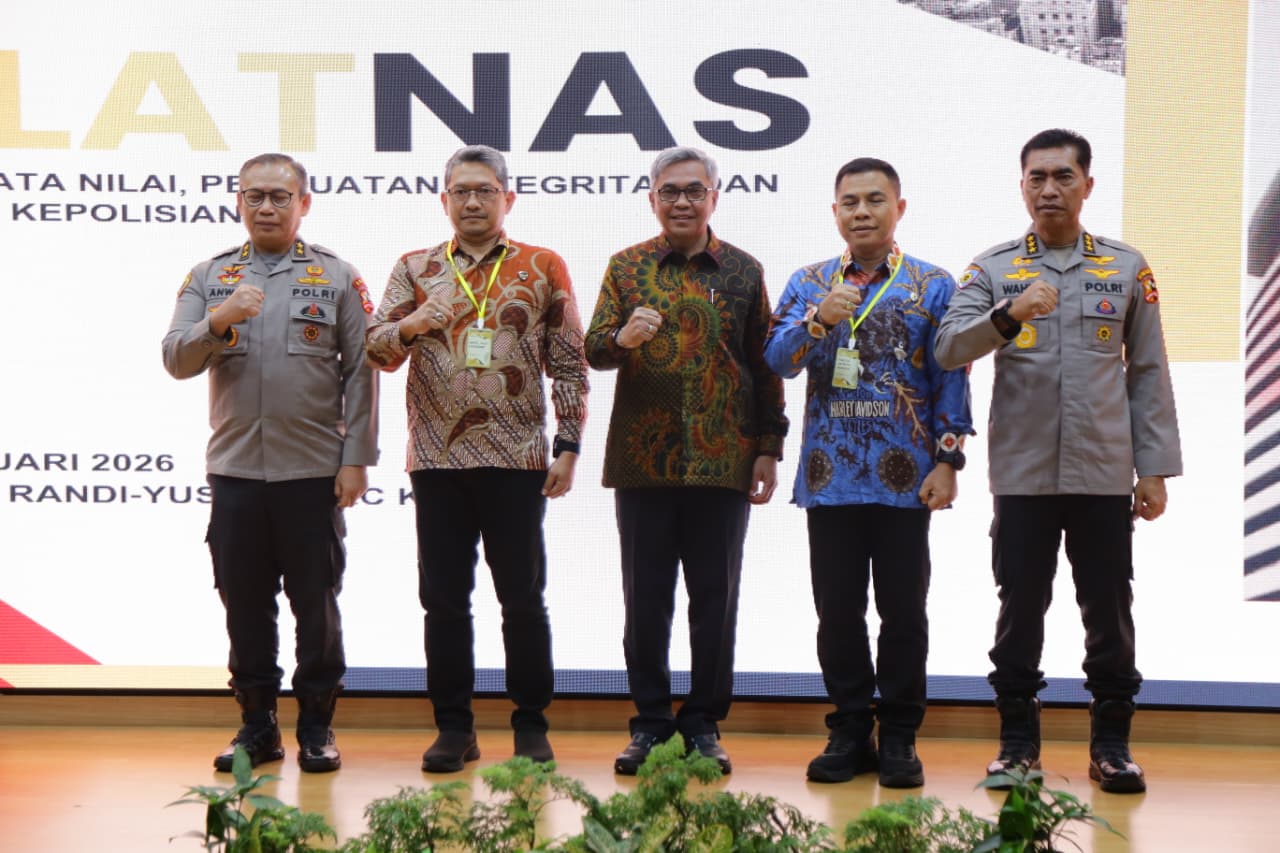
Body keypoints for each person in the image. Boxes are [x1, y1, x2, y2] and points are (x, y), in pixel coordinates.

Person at [935, 128, 1182, 794]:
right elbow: (948, 348)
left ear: (1087, 185)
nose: (1049, 189)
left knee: (1110, 611)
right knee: (1020, 610)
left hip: (1103, 473)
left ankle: (1112, 746)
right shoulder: (993, 269)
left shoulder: (1127, 268)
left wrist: (1154, 469)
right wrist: (1008, 314)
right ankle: (1018, 746)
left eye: (1062, 176)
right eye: (1036, 177)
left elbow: (1148, 372)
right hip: (1023, 475)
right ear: (1021, 186)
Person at [365, 144, 588, 772]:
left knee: (523, 600)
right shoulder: (415, 267)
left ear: (507, 198)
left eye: (484, 190)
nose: (472, 202)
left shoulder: (542, 265)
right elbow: (375, 349)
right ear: (444, 200)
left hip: (518, 461)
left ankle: (530, 726)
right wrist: (413, 324)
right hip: (437, 460)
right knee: (443, 602)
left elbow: (569, 363)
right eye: (460, 191)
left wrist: (568, 446)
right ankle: (454, 728)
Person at [162, 153, 379, 774]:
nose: (266, 207)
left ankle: (316, 725)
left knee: (317, 603)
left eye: (280, 197)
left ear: (303, 204)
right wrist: (219, 320)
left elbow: (361, 372)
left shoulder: (336, 276)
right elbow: (175, 359)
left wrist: (356, 459)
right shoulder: (210, 276)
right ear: (238, 201)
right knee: (244, 603)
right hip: (235, 472)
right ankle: (257, 724)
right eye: (254, 196)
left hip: (312, 473)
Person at [763, 157, 973, 788]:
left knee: (904, 613)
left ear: (898, 208)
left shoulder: (934, 285)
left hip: (907, 480)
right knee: (838, 614)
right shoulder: (808, 282)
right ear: (835, 212)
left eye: (875, 200)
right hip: (830, 478)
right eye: (850, 202)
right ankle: (850, 728)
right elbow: (777, 360)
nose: (862, 212)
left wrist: (949, 461)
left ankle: (901, 733)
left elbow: (952, 377)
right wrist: (819, 319)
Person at [585, 145, 788, 776]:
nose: (681, 201)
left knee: (715, 601)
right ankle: (650, 724)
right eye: (669, 191)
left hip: (723, 458)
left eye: (694, 190)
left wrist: (769, 446)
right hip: (643, 462)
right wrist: (622, 338)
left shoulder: (745, 271)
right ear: (652, 199)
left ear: (713, 198)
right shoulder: (626, 267)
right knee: (645, 602)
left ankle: (702, 724)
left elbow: (765, 365)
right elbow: (593, 350)